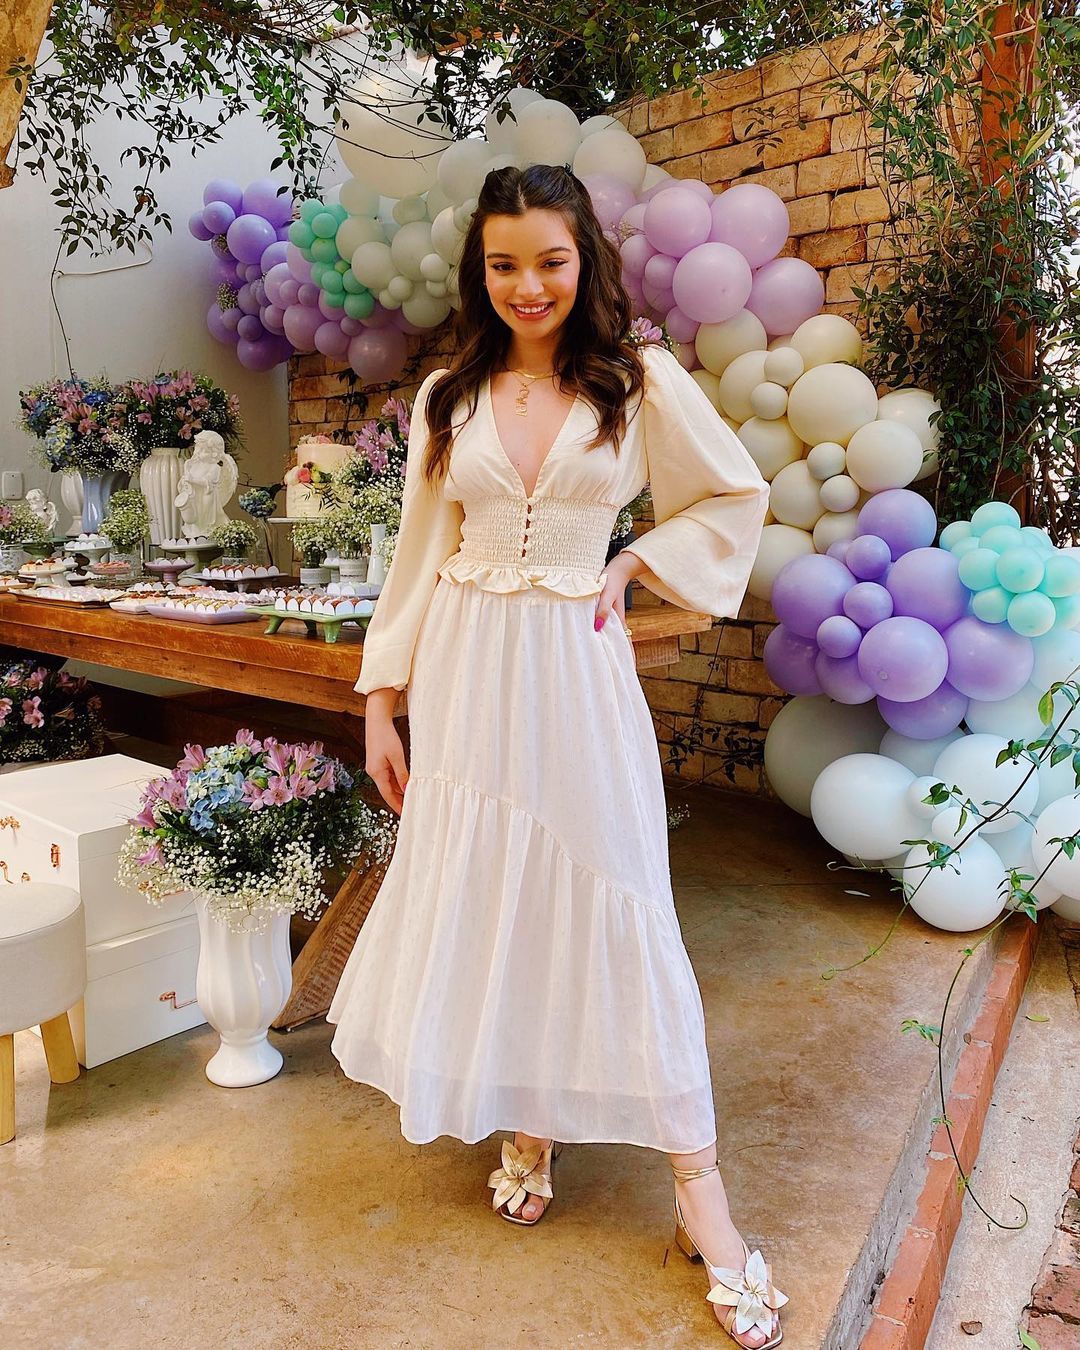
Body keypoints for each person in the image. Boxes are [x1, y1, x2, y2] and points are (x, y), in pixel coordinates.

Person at [327, 164, 783, 1347]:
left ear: (586, 261)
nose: (528, 285)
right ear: (479, 272)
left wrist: (631, 559)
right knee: (498, 897)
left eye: (551, 261)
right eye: (504, 264)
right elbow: (417, 557)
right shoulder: (448, 398)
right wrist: (381, 702)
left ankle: (700, 1191)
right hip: (468, 674)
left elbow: (734, 495)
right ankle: (530, 1121)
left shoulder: (640, 381)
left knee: (619, 892)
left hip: (578, 673)